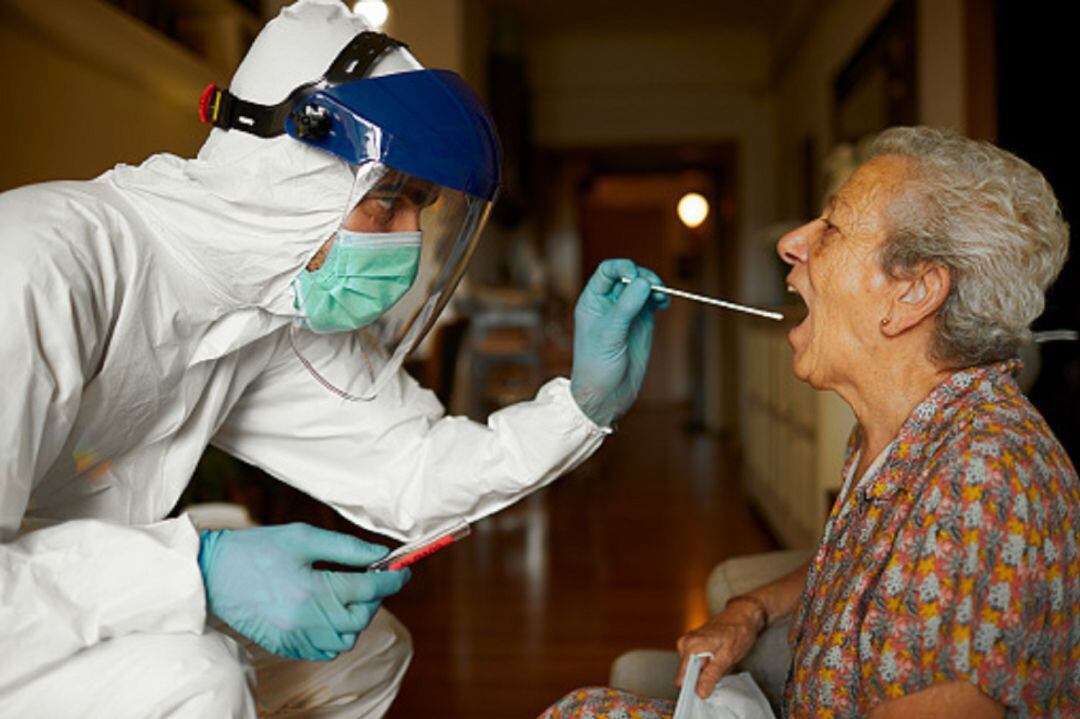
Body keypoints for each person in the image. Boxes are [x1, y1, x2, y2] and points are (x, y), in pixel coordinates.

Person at [0, 1, 667, 716]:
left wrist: (580, 407)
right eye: (387, 200)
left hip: (67, 610)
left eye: (422, 205)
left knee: (364, 651)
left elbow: (411, 471)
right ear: (290, 165)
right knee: (196, 675)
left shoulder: (259, 311)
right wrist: (192, 568)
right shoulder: (42, 266)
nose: (407, 239)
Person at [539, 126, 1079, 718]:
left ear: (913, 292)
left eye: (832, 226)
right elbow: (858, 565)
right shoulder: (905, 427)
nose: (792, 243)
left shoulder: (982, 480)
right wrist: (752, 609)